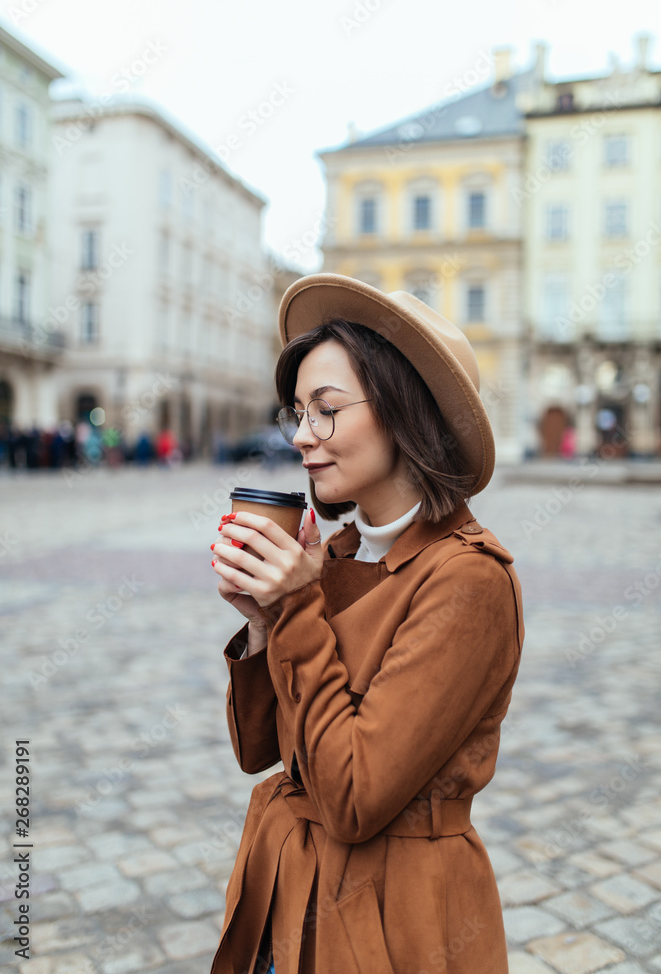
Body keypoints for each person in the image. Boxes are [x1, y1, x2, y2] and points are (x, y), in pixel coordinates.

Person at [209, 274, 525, 974]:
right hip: (286, 898)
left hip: (393, 918)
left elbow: (353, 798)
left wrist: (296, 608)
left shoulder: (468, 580)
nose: (301, 437)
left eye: (325, 410)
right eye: (297, 413)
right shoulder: (340, 553)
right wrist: (263, 624)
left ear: (404, 410)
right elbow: (262, 751)